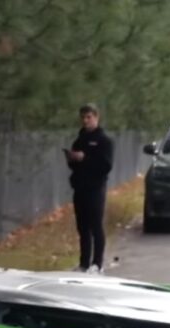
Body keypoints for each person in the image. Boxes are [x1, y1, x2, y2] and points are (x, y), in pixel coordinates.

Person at [65, 104, 114, 273]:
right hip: (80, 187)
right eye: (83, 118)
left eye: (89, 117)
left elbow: (106, 165)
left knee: (95, 225)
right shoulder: (79, 139)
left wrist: (85, 158)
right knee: (82, 226)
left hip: (95, 188)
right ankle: (83, 263)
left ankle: (97, 263)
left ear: (96, 117)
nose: (85, 121)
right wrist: (72, 159)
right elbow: (74, 165)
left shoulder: (103, 140)